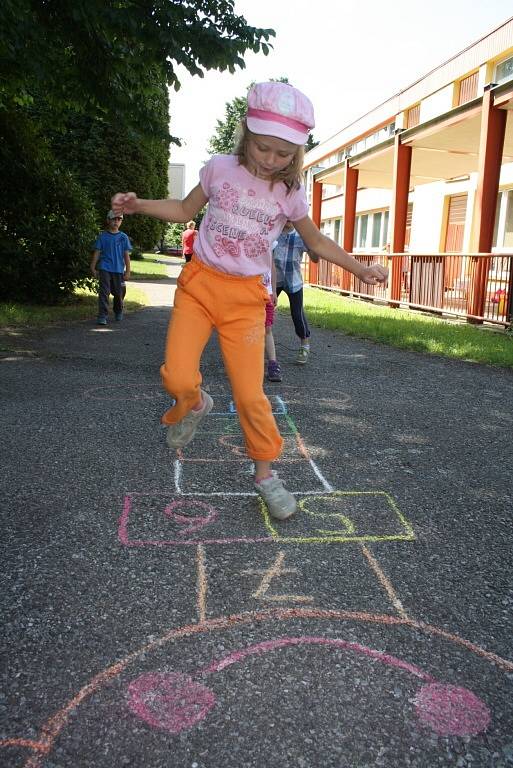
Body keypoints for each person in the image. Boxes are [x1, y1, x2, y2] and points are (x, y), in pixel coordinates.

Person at [111, 81, 388, 520]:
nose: (271, 160)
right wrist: (138, 205)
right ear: (246, 134)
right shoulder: (220, 169)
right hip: (199, 285)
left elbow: (316, 241)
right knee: (179, 378)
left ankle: (265, 475)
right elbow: (184, 211)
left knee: (250, 394)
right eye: (263, 148)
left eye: (283, 154)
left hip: (245, 298)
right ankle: (195, 404)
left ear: (296, 153)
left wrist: (360, 269)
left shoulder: (289, 192)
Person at [273, 220, 318, 365]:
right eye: (285, 217)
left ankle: (305, 345)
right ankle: (257, 344)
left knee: (297, 314)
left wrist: (314, 249)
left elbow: (315, 259)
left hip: (294, 281)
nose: (288, 220)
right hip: (276, 280)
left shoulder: (301, 236)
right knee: (263, 311)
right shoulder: (274, 233)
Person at [91, 210, 131, 325]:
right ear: (108, 220)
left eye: (119, 219)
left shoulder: (123, 237)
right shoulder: (102, 236)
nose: (116, 221)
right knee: (104, 292)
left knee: (118, 293)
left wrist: (128, 271)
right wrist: (93, 267)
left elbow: (126, 256)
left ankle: (118, 310)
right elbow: (97, 252)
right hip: (104, 268)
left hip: (118, 270)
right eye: (114, 219)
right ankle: (102, 315)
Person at [263, 259, 281, 382]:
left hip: (267, 293)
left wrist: (274, 290)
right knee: (246, 328)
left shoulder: (269, 240)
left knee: (267, 328)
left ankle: (272, 364)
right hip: (248, 292)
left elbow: (272, 266)